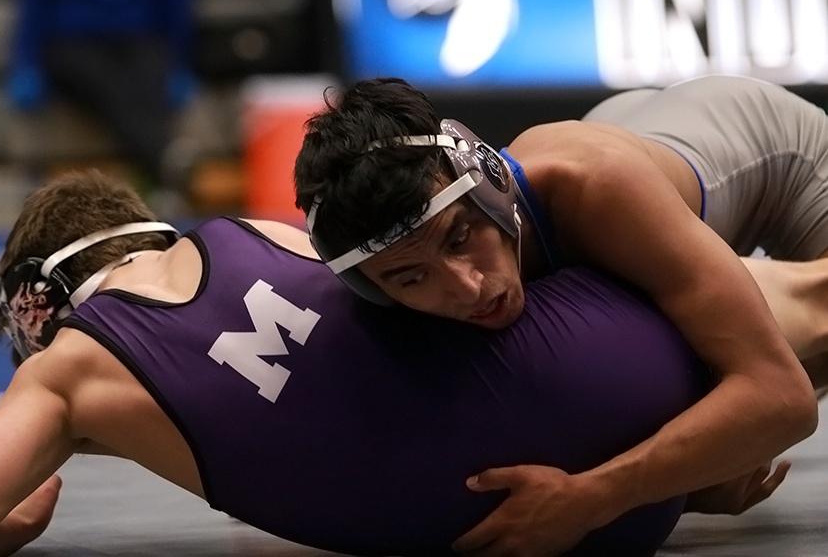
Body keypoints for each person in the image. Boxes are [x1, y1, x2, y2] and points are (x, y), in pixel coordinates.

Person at [0, 170, 821, 557]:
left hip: (526, 527)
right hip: (595, 387)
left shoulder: (63, 376)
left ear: (41, 314)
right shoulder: (255, 233)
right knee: (796, 311)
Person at [293, 75, 826, 554]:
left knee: (779, 338)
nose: (467, 286)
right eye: (412, 279)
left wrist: (597, 496)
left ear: (491, 183)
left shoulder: (595, 189)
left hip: (774, 154)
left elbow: (782, 398)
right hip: (632, 130)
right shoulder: (385, 285)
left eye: (460, 237)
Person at [7, 0, 199, 194]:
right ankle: (163, 158)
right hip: (71, 42)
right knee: (110, 86)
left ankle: (159, 169)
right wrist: (26, 62)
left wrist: (179, 62)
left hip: (140, 39)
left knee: (148, 77)